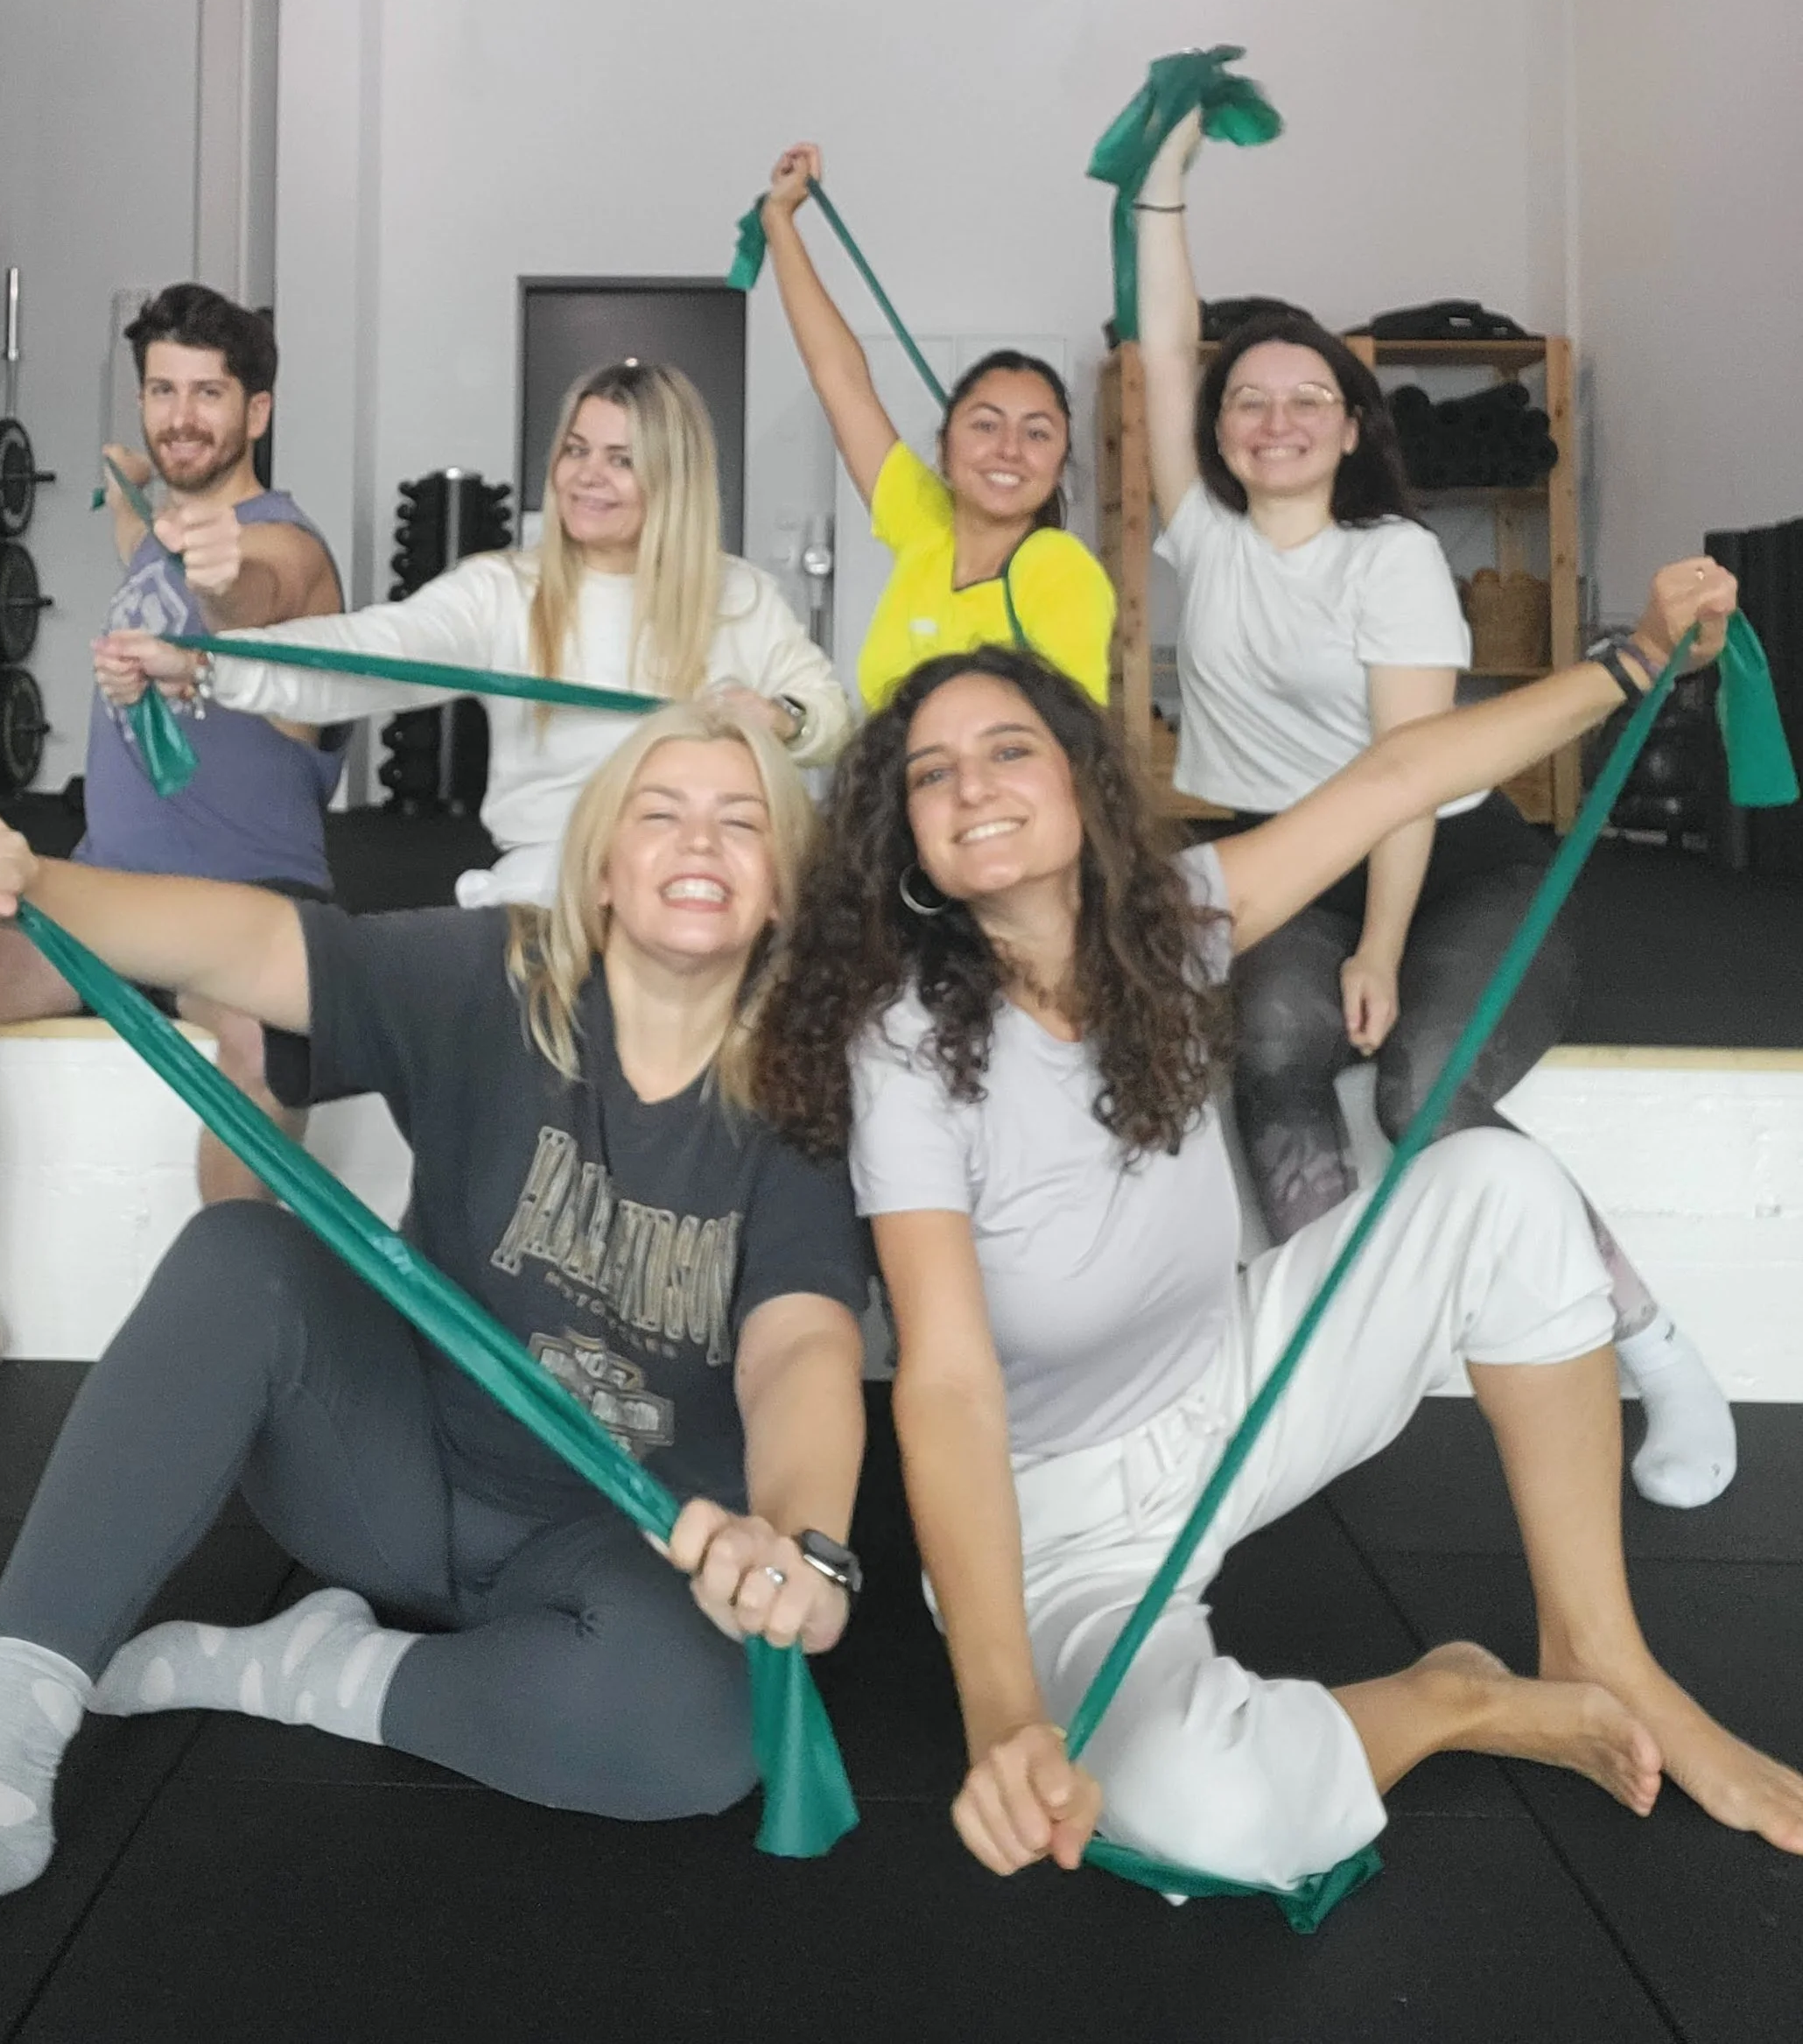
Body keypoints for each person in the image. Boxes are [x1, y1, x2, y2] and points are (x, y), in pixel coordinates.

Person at [0, 705, 870, 2025]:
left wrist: (802, 1539)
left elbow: (802, 1341)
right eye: (661, 811)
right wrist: (36, 880)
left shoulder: (802, 1093)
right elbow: (245, 940)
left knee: (697, 1737)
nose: (700, 840)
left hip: (618, 1545)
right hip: (389, 1479)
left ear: (782, 880)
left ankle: (304, 1673)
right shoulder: (493, 975)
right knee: (240, 1258)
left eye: (742, 820)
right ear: (605, 863)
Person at [749, 570, 1803, 1899]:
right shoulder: (905, 1048)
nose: (973, 786)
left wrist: (1633, 663)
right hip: (1059, 1526)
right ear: (906, 841)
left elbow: (1396, 776)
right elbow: (949, 1384)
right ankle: (1453, 1700)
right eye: (931, 774)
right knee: (1209, 1818)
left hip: (1232, 1383)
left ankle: (1600, 1650)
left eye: (1009, 748)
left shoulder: (1174, 923)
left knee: (1502, 1192)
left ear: (1079, 782)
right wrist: (1002, 1716)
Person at [1131, 120, 1732, 1506]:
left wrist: (1383, 949)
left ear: (1353, 428)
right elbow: (1164, 341)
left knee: (1420, 1084)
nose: (1272, 418)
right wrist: (1163, 182)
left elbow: (1407, 775)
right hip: (1279, 854)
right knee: (1272, 1060)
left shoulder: (1392, 557)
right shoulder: (1201, 534)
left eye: (1306, 400)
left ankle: (1650, 1334)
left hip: (1445, 856)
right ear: (1217, 431)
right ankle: (1341, 1360)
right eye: (1246, 401)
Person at [0, 285, 344, 1444]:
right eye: (163, 389)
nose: (182, 415)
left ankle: (236, 1358)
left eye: (209, 392)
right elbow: (142, 529)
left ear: (256, 408)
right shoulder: (154, 533)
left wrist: (214, 570)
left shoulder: (288, 548)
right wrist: (132, 500)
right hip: (104, 895)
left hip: (244, 918)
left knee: (264, 1048)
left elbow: (249, 586)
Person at [98, 358, 851, 909]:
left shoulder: (739, 595)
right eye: (576, 450)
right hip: (547, 899)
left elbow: (828, 713)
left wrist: (780, 718)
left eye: (622, 460)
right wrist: (208, 663)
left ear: (674, 478)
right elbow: (365, 653)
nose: (588, 476)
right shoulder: (504, 592)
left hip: (697, 895)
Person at [754, 144, 1114, 710]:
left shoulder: (1061, 569)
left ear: (1061, 463)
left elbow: (1070, 744)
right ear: (945, 449)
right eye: (986, 424)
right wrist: (779, 219)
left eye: (1037, 433)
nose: (1009, 450)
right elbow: (840, 378)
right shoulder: (925, 527)